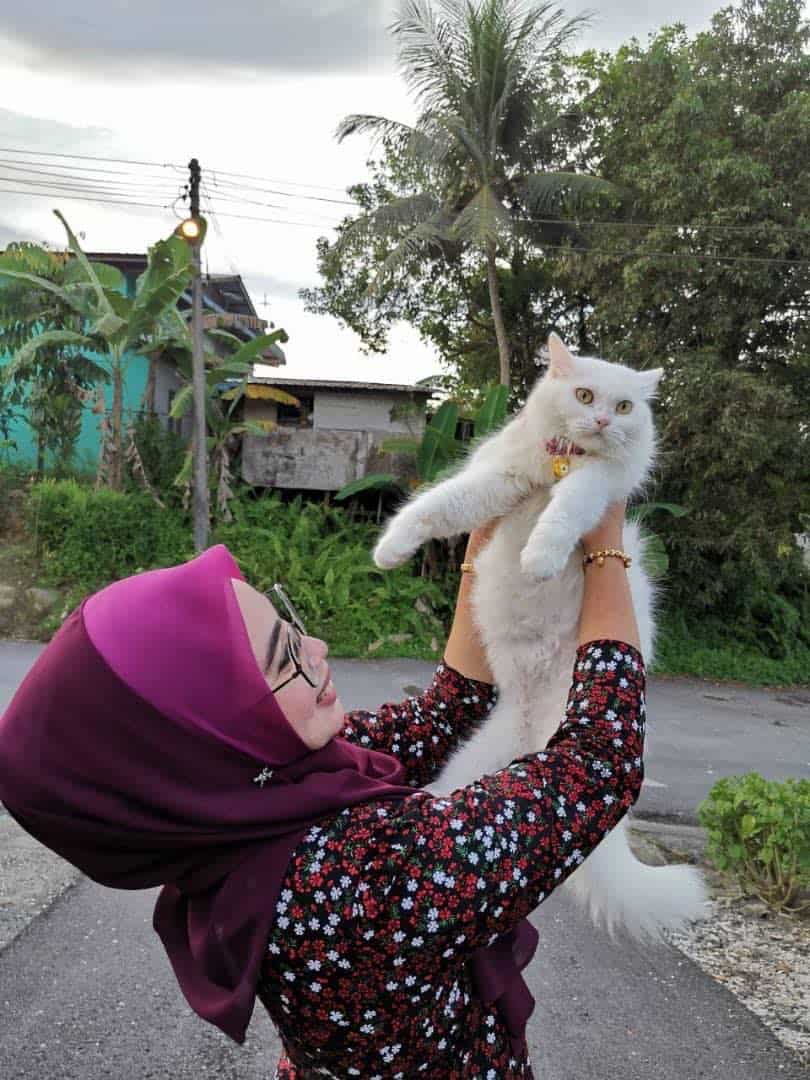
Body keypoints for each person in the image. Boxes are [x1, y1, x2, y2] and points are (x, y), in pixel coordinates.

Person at [0, 499, 644, 1079]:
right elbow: (597, 764)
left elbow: (445, 715)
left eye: (288, 623)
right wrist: (606, 542)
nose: (318, 646)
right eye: (286, 659)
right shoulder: (349, 877)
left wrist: (485, 538)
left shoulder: (259, 796)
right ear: (211, 737)